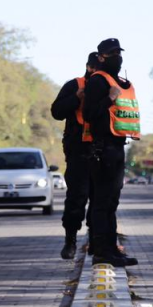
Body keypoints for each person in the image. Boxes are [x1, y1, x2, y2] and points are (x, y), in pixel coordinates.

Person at [84, 38, 140, 267]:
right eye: (112, 53)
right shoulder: (98, 81)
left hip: (117, 147)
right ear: (101, 57)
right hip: (102, 148)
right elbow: (89, 113)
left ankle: (111, 249)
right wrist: (110, 98)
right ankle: (101, 251)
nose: (117, 57)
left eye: (118, 52)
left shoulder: (121, 82)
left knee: (112, 202)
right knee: (101, 201)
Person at [50, 52, 100, 259]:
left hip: (104, 153)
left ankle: (97, 243)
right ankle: (70, 241)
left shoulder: (115, 86)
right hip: (79, 152)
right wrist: (75, 98)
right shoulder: (74, 85)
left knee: (100, 202)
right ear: (89, 68)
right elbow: (56, 111)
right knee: (76, 200)